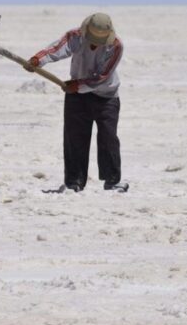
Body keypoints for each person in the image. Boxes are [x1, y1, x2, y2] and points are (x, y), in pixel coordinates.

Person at [24, 13, 128, 193]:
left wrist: (77, 85)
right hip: (77, 95)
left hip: (106, 96)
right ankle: (74, 182)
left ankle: (112, 181)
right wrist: (37, 60)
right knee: (75, 138)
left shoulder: (116, 46)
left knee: (108, 138)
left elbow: (102, 76)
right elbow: (56, 49)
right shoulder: (76, 36)